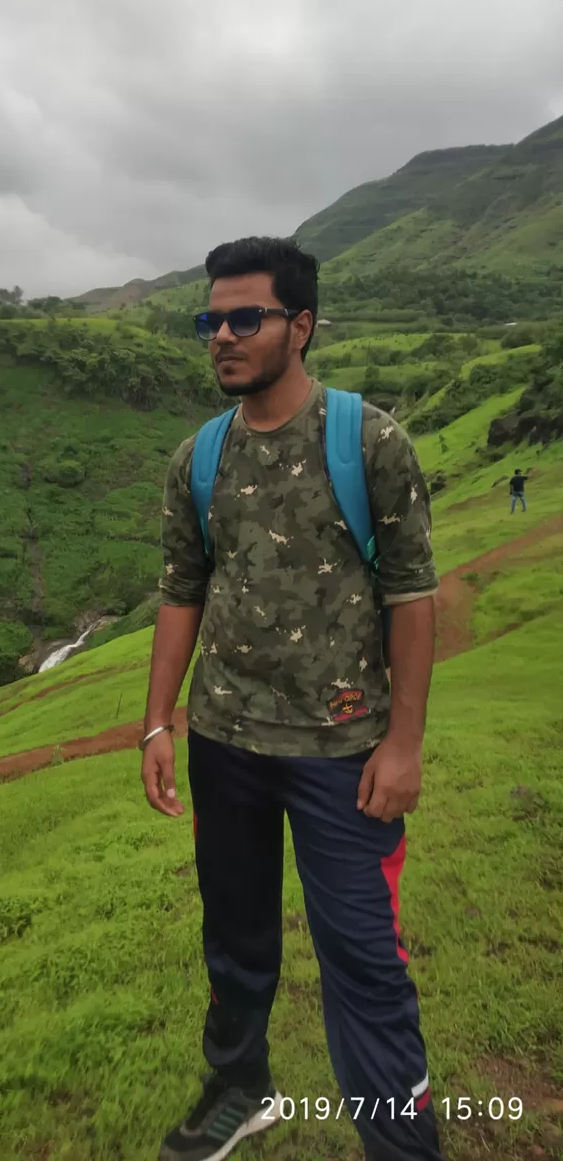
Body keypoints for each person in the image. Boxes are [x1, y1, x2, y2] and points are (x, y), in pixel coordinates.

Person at [142, 237, 443, 1161]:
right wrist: (160, 720)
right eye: (211, 320)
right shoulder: (200, 458)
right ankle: (241, 1089)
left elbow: (412, 594)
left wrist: (402, 745)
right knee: (234, 940)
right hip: (226, 743)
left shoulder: (369, 440)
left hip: (343, 753)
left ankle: (401, 1145)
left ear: (300, 326)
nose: (221, 337)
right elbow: (182, 591)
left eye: (245, 318)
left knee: (362, 959)